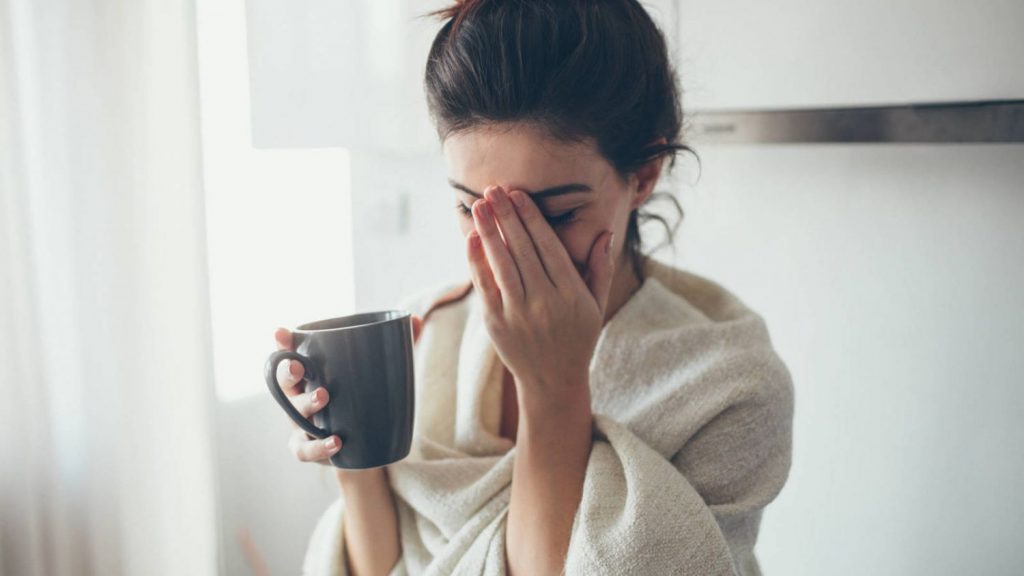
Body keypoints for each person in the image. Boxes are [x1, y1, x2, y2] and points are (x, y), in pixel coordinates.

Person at [273, 1, 794, 574]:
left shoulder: (728, 386)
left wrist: (555, 388)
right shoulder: (425, 335)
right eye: (472, 209)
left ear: (642, 176)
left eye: (557, 214)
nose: (507, 253)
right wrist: (355, 452)